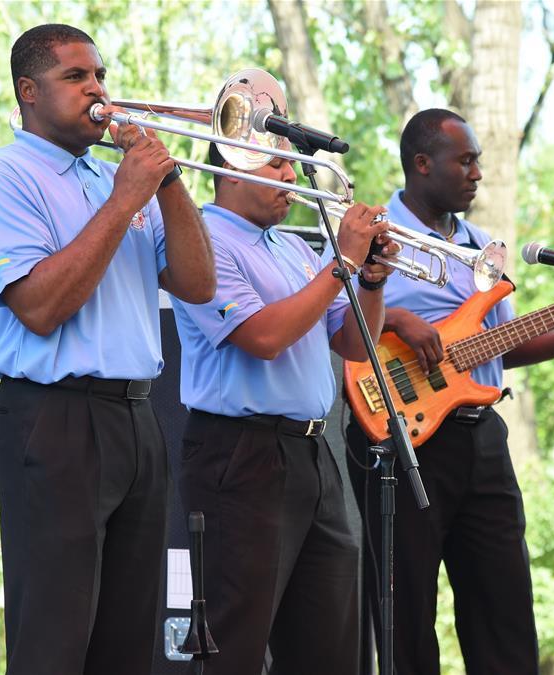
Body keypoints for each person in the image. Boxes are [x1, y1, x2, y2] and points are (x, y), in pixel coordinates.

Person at [0, 23, 215, 675]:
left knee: (129, 639)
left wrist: (168, 183)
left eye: (99, 75)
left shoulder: (119, 179)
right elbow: (40, 306)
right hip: (55, 416)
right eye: (76, 77)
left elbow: (197, 282)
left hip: (136, 416)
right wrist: (127, 193)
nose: (96, 89)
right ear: (30, 91)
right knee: (55, 634)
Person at [345, 108, 554, 675]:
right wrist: (397, 316)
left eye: (478, 162)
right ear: (422, 165)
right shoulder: (373, 236)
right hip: (404, 442)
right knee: (406, 623)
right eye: (466, 160)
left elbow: (499, 345)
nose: (478, 173)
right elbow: (339, 323)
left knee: (505, 617)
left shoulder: (485, 249)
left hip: (483, 440)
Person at [170, 142, 397, 675]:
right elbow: (264, 337)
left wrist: (372, 279)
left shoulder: (295, 248)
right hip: (241, 453)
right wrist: (342, 263)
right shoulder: (201, 241)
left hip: (313, 453)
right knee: (237, 645)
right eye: (277, 165)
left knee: (329, 648)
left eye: (291, 164)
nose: (292, 177)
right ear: (229, 167)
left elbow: (356, 344)